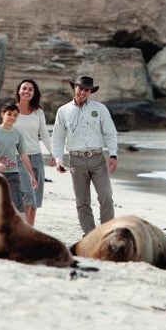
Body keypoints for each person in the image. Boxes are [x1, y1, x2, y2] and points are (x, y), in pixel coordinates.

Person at [52, 75, 119, 234]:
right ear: (74, 88)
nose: (83, 92)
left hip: (97, 159)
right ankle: (90, 235)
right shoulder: (63, 111)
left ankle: (106, 233)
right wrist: (59, 160)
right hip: (76, 160)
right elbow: (58, 138)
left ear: (90, 92)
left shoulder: (100, 109)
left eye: (87, 90)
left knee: (106, 197)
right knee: (82, 202)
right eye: (80, 88)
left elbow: (110, 132)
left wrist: (113, 155)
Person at [13, 78, 55, 226]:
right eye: (24, 88)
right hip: (17, 158)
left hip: (36, 157)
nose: (26, 91)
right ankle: (22, 228)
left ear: (34, 93)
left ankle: (29, 229)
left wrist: (53, 154)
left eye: (30, 89)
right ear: (19, 91)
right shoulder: (12, 110)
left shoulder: (38, 112)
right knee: (27, 195)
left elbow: (44, 134)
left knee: (35, 198)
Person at [0, 101, 38, 214]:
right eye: (9, 114)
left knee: (17, 205)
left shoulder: (17, 134)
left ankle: (20, 230)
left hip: (13, 173)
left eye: (15, 115)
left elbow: (23, 155)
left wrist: (32, 176)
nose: (12, 117)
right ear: (2, 114)